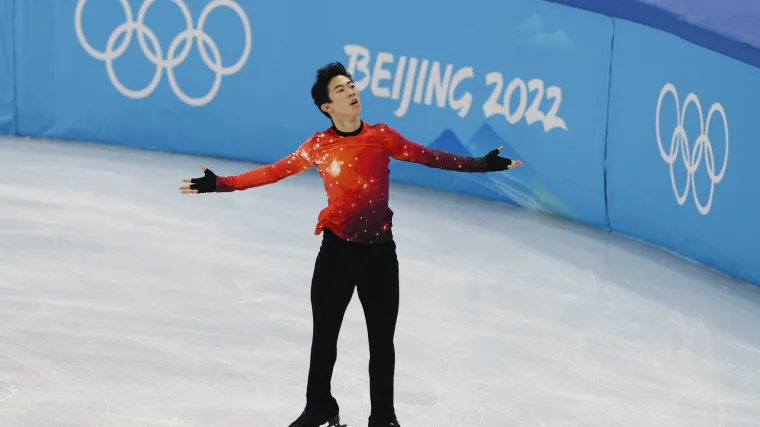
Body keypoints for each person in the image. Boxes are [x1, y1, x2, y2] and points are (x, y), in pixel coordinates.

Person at [179, 62, 523, 427]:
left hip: (379, 255)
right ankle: (320, 408)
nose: (351, 92)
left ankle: (384, 418)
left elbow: (431, 157)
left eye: (352, 85)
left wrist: (482, 164)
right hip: (337, 253)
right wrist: (220, 183)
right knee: (324, 336)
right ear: (327, 106)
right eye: (340, 90)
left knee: (381, 342)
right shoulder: (318, 146)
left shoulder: (382, 136)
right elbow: (273, 172)